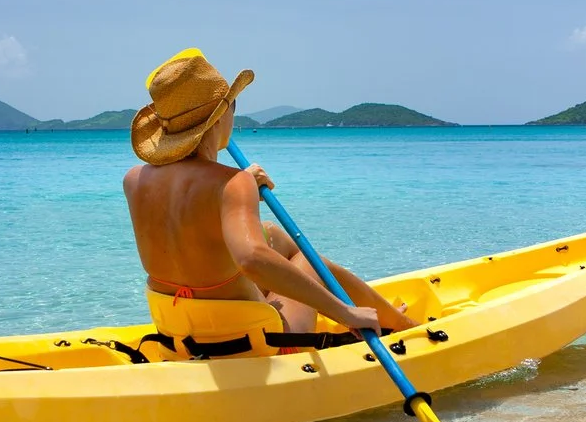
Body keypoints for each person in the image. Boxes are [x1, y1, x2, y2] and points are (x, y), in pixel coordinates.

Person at [124, 48, 416, 358]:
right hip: (256, 345)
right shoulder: (231, 184)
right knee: (307, 261)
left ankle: (387, 316)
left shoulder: (134, 180)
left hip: (179, 336)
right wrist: (344, 314)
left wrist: (242, 185)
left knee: (271, 233)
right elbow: (251, 258)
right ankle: (400, 324)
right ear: (221, 116)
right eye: (232, 105)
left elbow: (191, 222)